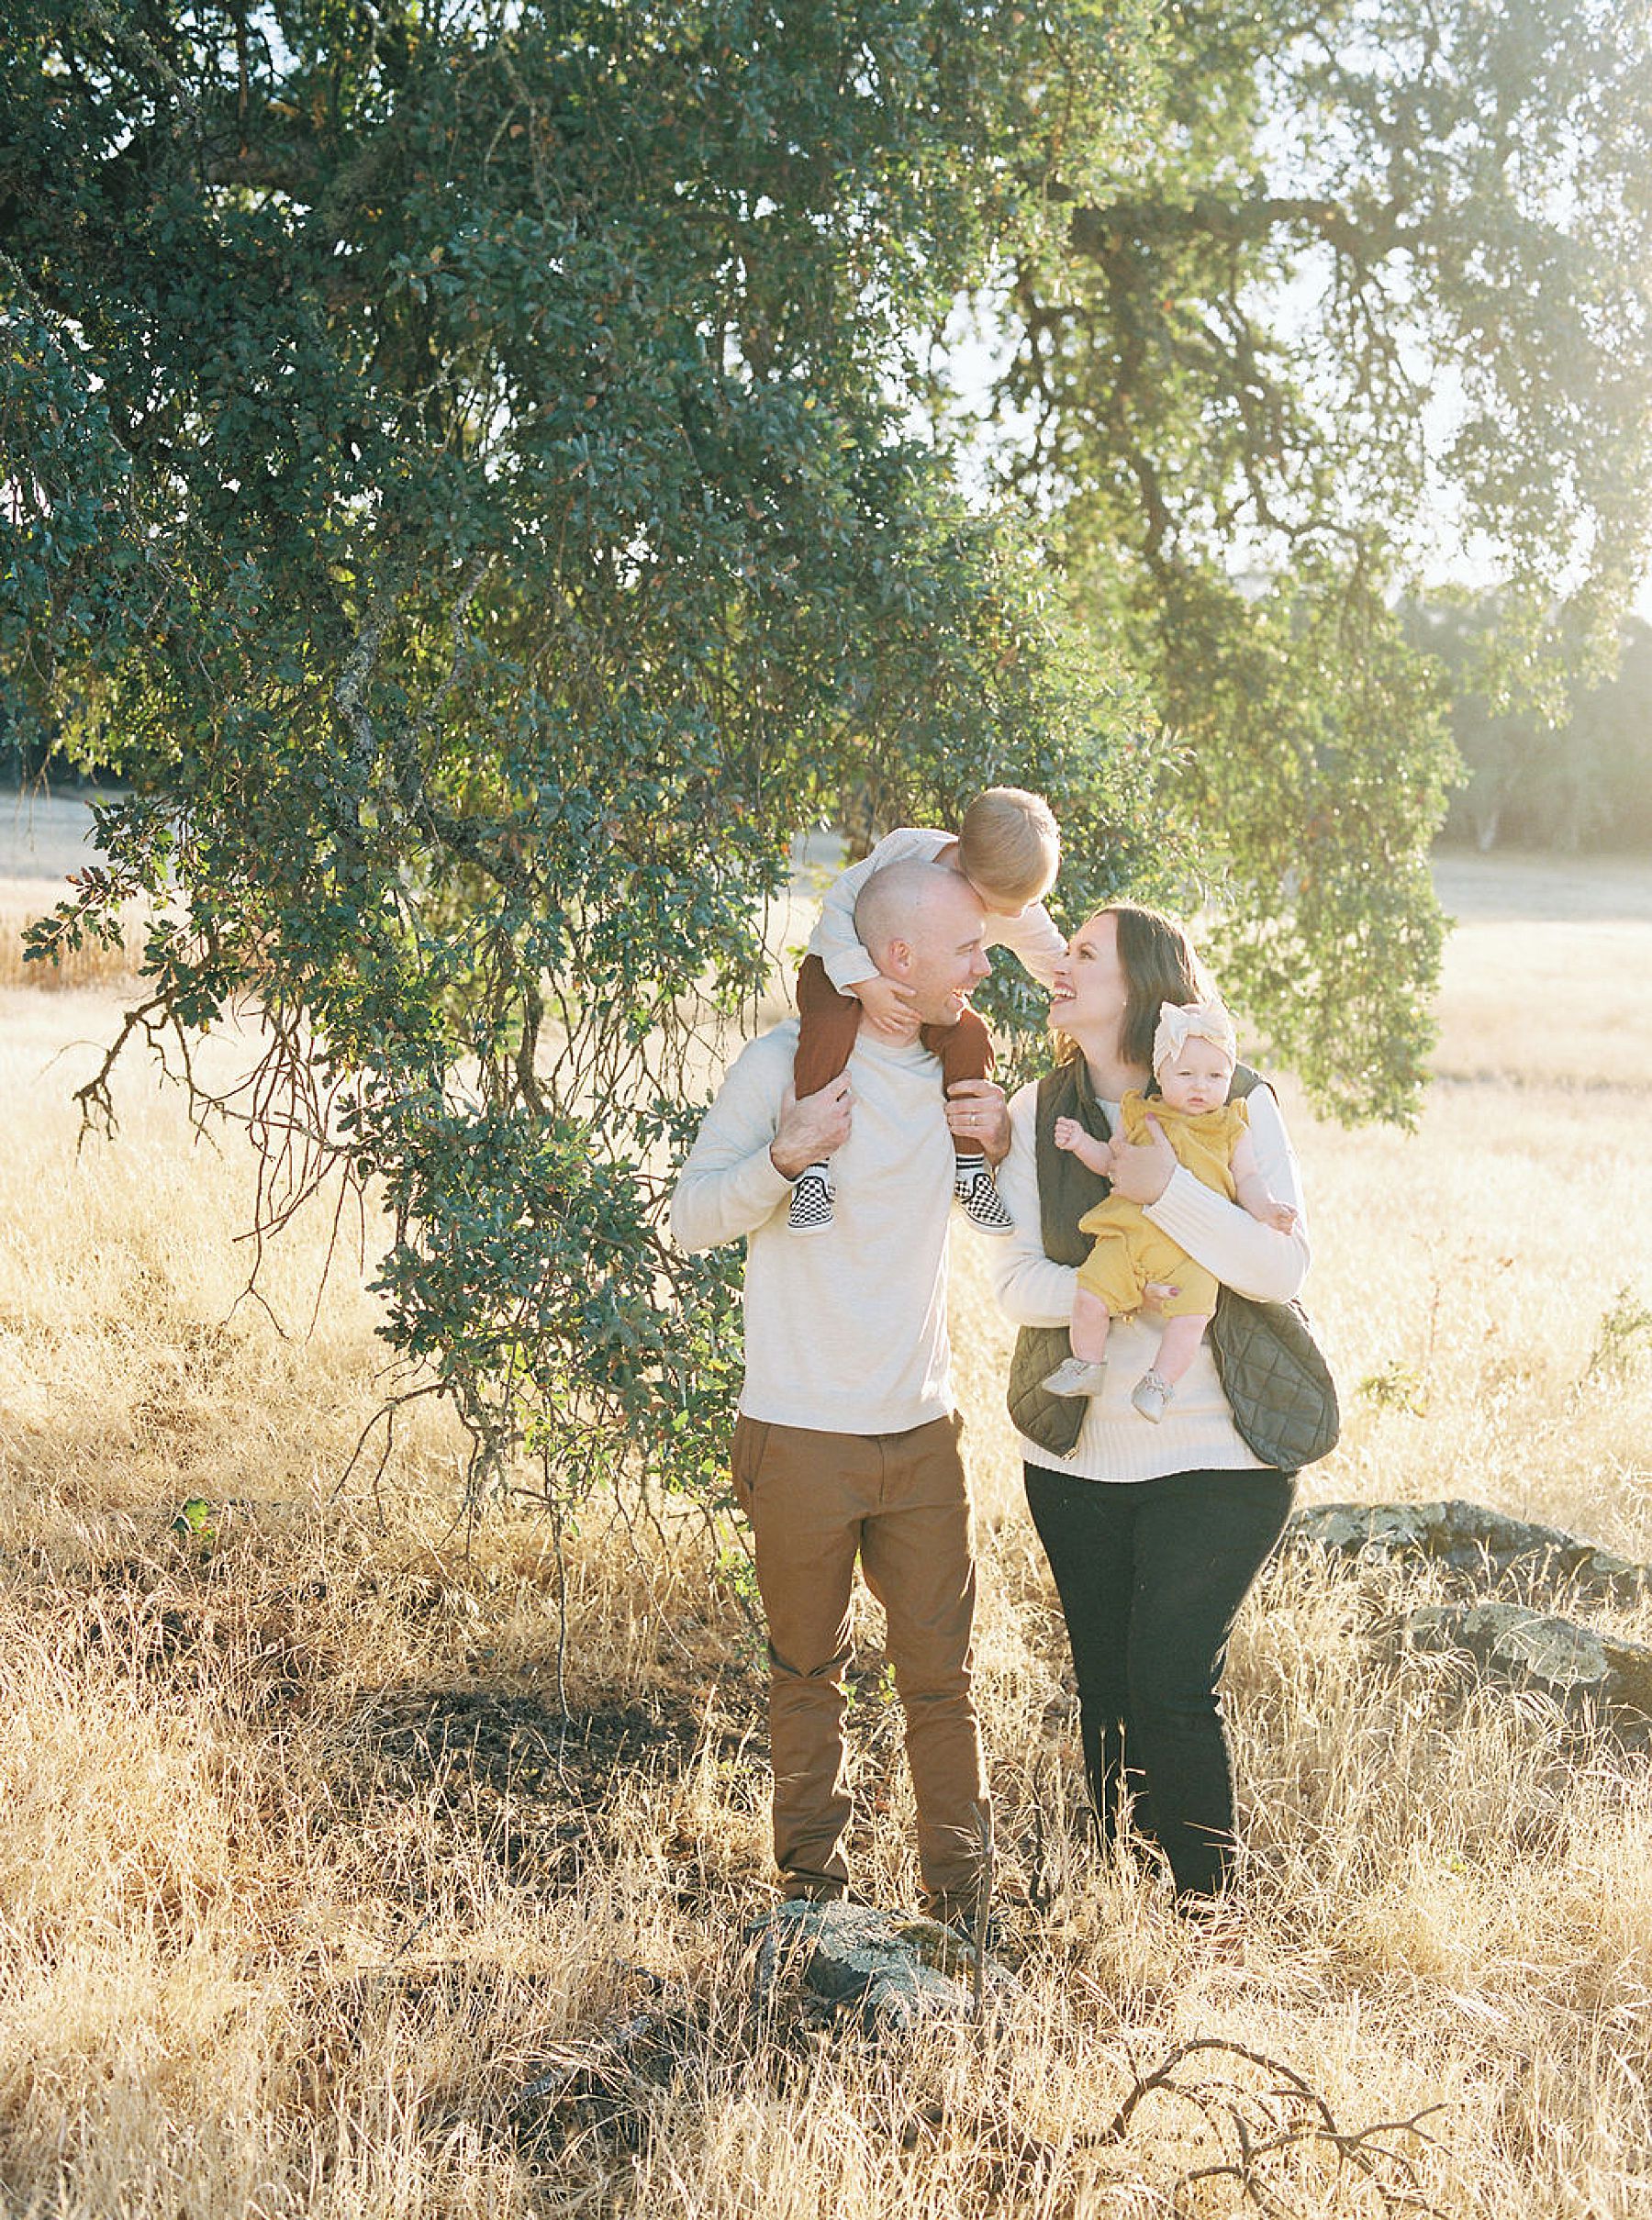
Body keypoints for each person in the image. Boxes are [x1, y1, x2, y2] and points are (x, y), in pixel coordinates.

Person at [671, 859, 1010, 1924]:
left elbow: (1019, 1227)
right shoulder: (784, 1064)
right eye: (966, 948)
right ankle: (811, 1902)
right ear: (897, 958)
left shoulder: (963, 1084)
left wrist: (1002, 1146)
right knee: (806, 1673)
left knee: (941, 1686)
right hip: (800, 1432)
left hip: (922, 1432)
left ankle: (964, 1911)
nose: (984, 963)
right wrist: (785, 1156)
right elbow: (687, 1219)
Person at [988, 902, 1311, 1913]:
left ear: (1146, 987)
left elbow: (1280, 1265)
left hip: (1222, 1459)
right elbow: (1012, 1282)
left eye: (1087, 953)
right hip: (1078, 1462)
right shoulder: (1041, 1110)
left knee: (1169, 1684)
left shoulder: (1240, 1098)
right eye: (1066, 949)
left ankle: (1209, 1914)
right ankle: (1116, 1918)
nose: (1062, 965)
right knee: (1106, 1696)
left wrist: (1167, 1190)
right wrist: (1121, 1294)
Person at [786, 787, 1063, 1236]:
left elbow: (1052, 957)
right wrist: (866, 982)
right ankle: (813, 1170)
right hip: (843, 968)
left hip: (926, 992)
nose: (1025, 913)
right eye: (1016, 905)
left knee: (971, 1036)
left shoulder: (1015, 902)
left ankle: (970, 1165)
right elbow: (838, 907)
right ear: (977, 883)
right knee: (831, 1027)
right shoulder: (908, 849)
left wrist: (1088, 988)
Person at [1043, 997, 1299, 1421]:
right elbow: (1112, 1161)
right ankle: (1087, 1363)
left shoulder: (1232, 1126)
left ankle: (1159, 1384)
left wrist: (1268, 1209)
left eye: (1216, 1076)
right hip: (1128, 1235)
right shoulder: (1141, 1114)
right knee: (1090, 1295)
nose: (1201, 1086)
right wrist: (1081, 1143)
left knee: (1192, 1316)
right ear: (1160, 1073)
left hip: (1193, 1252)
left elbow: (1249, 1179)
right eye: (1186, 1074)